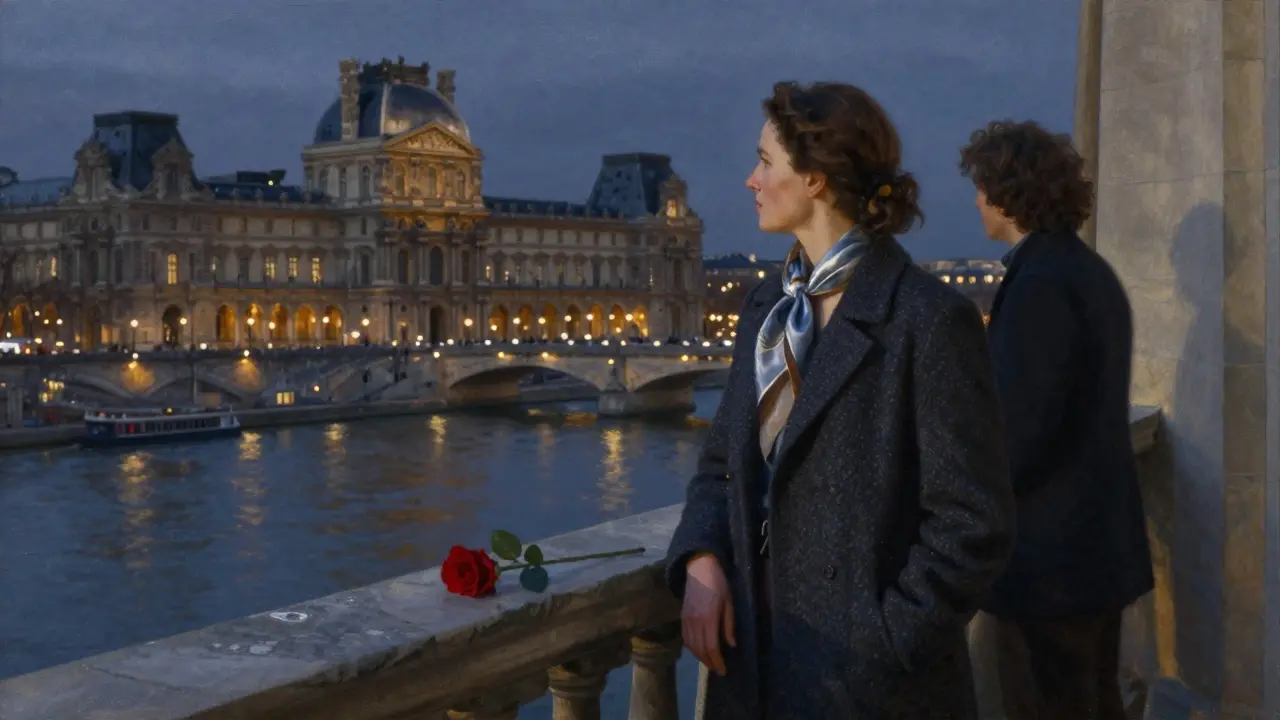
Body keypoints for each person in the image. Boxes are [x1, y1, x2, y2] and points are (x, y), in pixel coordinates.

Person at [664, 80, 1017, 719]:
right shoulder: (765, 309)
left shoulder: (927, 319)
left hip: (865, 687)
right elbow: (720, 468)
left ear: (817, 179)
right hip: (756, 660)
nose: (750, 179)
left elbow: (972, 526)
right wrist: (702, 558)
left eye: (765, 161)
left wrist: (880, 647)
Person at [959, 120, 1153, 720]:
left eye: (982, 186)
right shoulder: (1088, 272)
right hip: (1093, 552)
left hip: (1050, 570)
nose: (975, 200)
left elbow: (1019, 435)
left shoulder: (1039, 284)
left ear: (1009, 193)